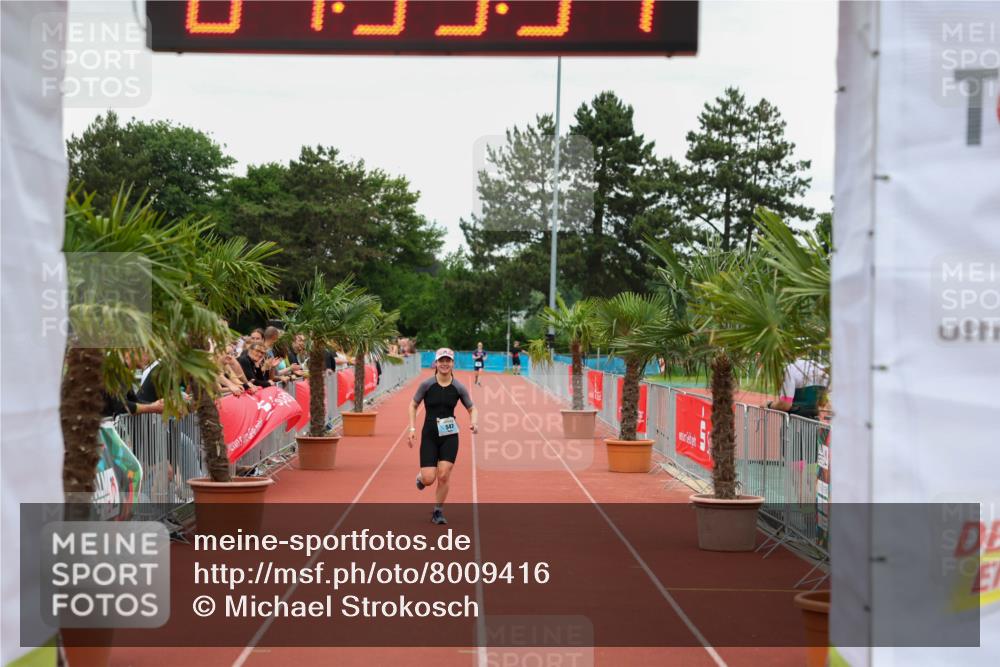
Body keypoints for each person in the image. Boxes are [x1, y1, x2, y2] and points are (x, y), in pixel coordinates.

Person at [408, 348, 478, 525]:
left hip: (449, 435)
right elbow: (413, 405)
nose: (445, 364)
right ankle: (421, 477)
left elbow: (472, 408)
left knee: (444, 474)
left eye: (448, 360)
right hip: (430, 435)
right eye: (441, 360)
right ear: (436, 363)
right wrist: (412, 428)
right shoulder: (427, 384)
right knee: (429, 478)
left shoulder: (458, 387)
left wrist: (474, 422)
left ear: (453, 363)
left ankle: (438, 511)